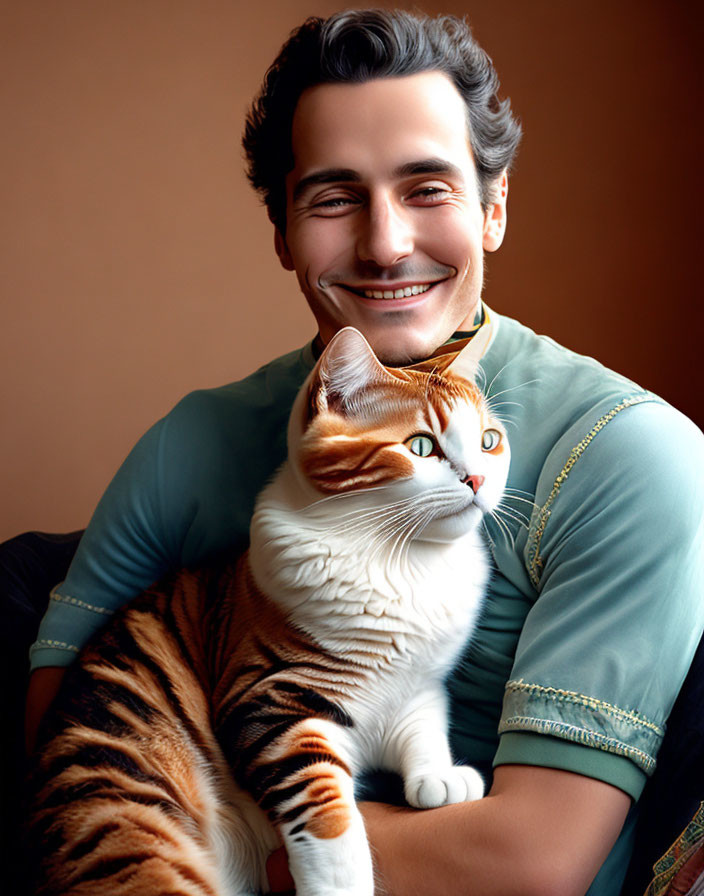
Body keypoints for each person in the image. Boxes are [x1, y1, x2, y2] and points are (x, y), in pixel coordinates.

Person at [23, 9, 704, 896]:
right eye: (335, 197)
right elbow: (65, 750)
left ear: (494, 209)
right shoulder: (189, 443)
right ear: (282, 234)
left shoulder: (628, 454)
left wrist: (253, 847)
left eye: (428, 188)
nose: (386, 245)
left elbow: (535, 860)